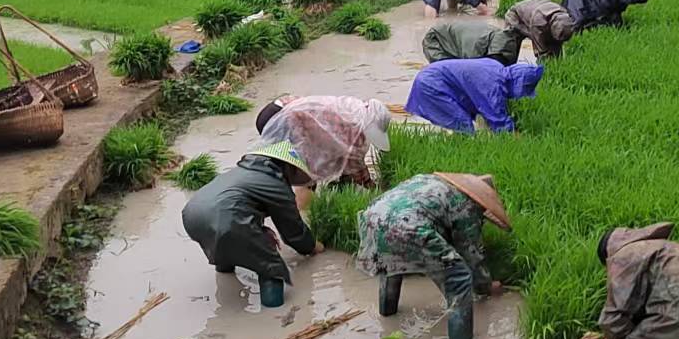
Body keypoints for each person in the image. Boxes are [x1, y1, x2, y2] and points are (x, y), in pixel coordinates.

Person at [358, 173, 509, 339]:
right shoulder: (466, 205)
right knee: (459, 277)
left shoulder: (429, 182)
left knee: (391, 264)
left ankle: (387, 314)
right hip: (408, 226)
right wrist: (486, 286)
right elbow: (471, 254)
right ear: (480, 202)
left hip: (371, 218)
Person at [180, 142, 321, 308]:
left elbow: (240, 205)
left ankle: (224, 269)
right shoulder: (276, 185)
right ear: (288, 168)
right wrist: (313, 247)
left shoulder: (240, 172)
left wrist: (261, 230)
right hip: (228, 222)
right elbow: (293, 232)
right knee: (271, 267)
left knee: (225, 237)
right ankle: (273, 313)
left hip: (192, 216)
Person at [251, 96, 391, 189]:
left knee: (285, 171)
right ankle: (302, 217)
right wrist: (376, 189)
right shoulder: (355, 134)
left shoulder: (353, 108)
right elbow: (355, 168)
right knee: (304, 177)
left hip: (278, 106)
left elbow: (337, 154)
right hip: (281, 119)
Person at [405, 58, 544, 133]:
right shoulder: (492, 85)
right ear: (517, 83)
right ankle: (459, 151)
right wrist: (515, 136)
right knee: (462, 124)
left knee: (461, 123)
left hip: (432, 75)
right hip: (431, 84)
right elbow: (497, 119)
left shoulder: (496, 67)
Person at [501, 0, 578, 59]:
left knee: (554, 48)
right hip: (516, 18)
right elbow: (540, 49)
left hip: (535, 12)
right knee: (511, 49)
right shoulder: (539, 21)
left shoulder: (563, 14)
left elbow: (558, 44)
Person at [422, 18, 524, 65]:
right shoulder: (475, 50)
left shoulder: (504, 40)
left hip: (455, 36)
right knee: (447, 71)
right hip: (435, 39)